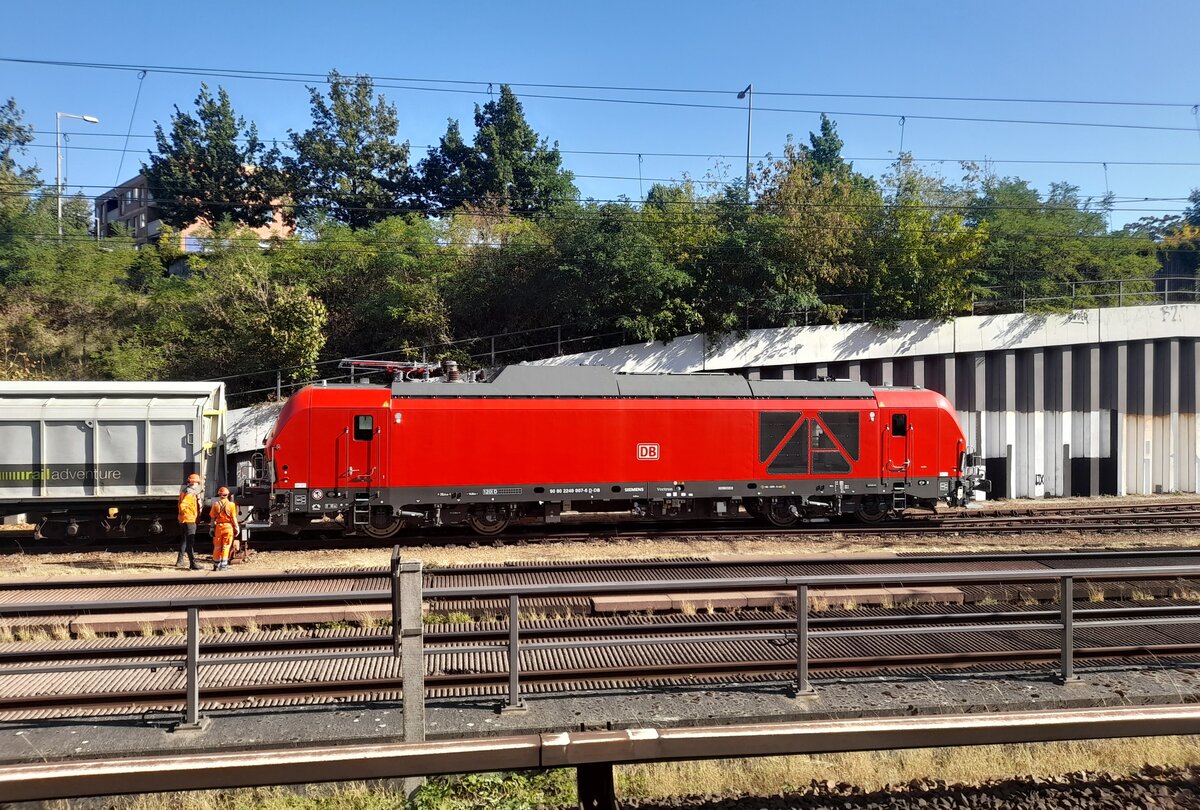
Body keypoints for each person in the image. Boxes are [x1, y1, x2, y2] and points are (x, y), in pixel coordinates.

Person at [176, 473, 204, 570]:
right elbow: (183, 505)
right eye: (197, 483)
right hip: (189, 520)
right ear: (194, 483)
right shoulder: (190, 493)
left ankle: (180, 561)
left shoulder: (184, 490)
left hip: (182, 520)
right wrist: (189, 515)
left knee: (184, 540)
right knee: (190, 542)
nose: (198, 485)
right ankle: (193, 563)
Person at [209, 486, 239, 571]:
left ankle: (216, 565)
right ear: (228, 495)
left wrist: (211, 528)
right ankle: (223, 565)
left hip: (219, 527)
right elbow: (233, 518)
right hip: (228, 527)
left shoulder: (215, 504)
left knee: (217, 546)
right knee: (226, 546)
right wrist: (237, 527)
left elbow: (212, 518)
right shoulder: (231, 505)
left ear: (219, 495)